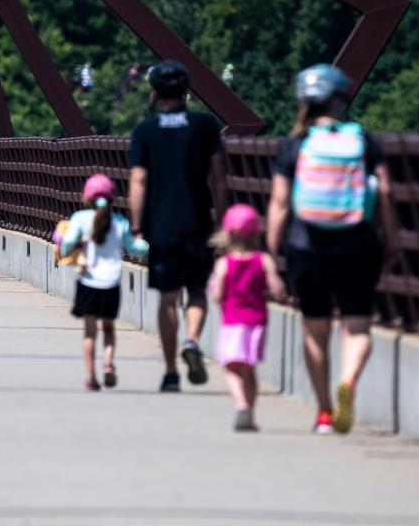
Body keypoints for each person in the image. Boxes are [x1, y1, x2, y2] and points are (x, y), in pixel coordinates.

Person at [267, 63, 399, 435]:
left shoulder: (294, 144)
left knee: (315, 329)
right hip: (358, 243)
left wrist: (272, 250)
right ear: (340, 99)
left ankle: (324, 412)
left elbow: (278, 202)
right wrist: (392, 238)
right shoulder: (362, 140)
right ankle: (349, 380)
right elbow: (385, 191)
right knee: (356, 326)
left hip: (305, 245)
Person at [128, 60, 228, 392]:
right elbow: (218, 178)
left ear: (155, 92)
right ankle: (193, 341)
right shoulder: (205, 126)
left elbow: (139, 181)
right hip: (198, 223)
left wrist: (137, 225)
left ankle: (171, 372)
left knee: (168, 298)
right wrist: (223, 220)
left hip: (162, 226)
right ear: (185, 91)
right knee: (198, 291)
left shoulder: (146, 131)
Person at [57, 174, 148, 390]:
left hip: (88, 282)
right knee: (108, 329)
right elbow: (135, 249)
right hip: (111, 283)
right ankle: (108, 363)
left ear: (86, 198)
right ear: (112, 199)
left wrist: (77, 243)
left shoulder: (80, 219)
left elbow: (66, 247)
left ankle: (91, 377)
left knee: (90, 333)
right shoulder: (120, 222)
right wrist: (146, 243)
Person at [208, 204, 285, 431]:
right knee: (250, 370)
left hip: (232, 323)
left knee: (232, 369)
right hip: (257, 322)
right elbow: (277, 288)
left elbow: (217, 295)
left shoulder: (224, 264)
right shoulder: (264, 261)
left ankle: (240, 405)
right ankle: (250, 412)